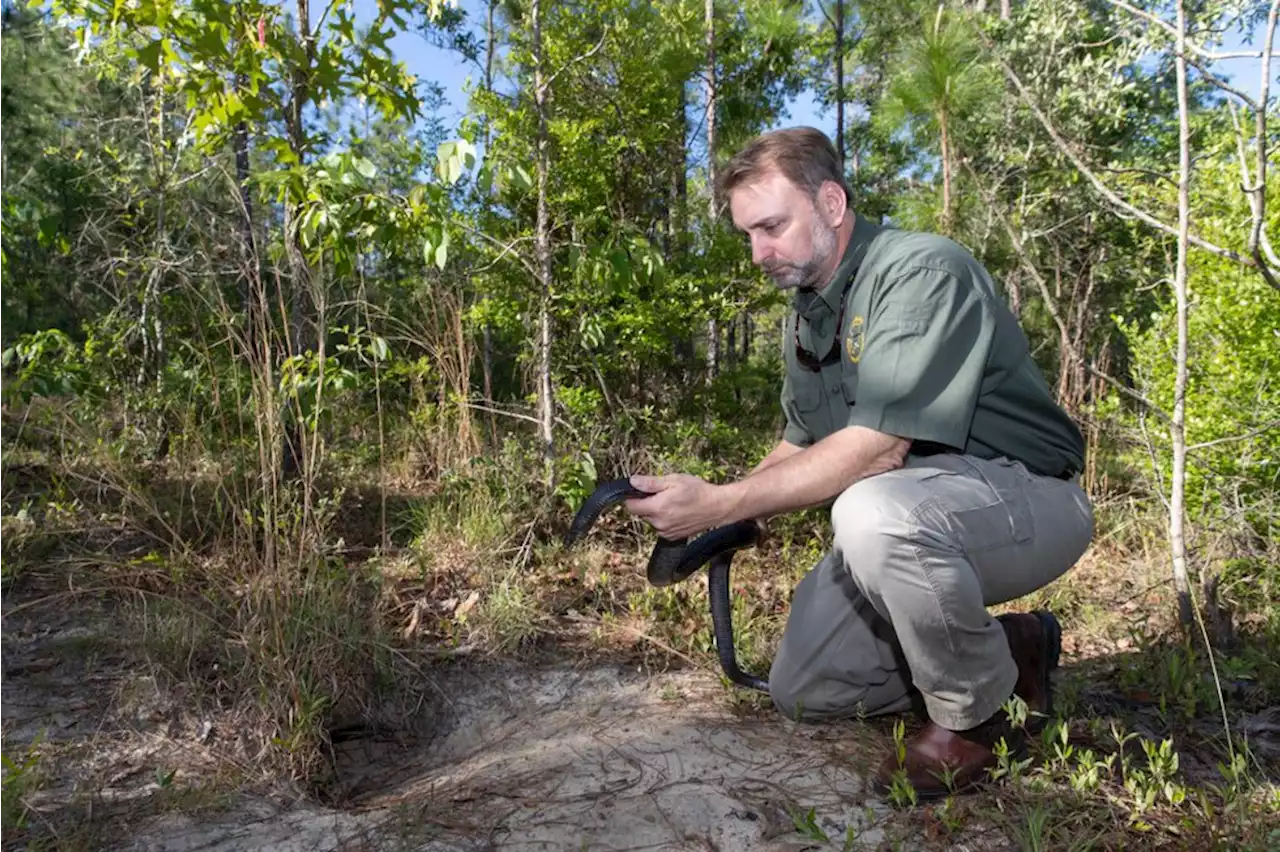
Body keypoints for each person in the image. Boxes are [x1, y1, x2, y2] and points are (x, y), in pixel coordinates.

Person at [623, 127, 1094, 798]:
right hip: (916, 509)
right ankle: (1010, 651)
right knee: (805, 690)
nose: (758, 253)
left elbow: (878, 448)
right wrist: (723, 513)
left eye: (772, 227)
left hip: (1026, 497)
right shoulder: (807, 315)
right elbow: (800, 442)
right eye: (747, 236)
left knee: (870, 514)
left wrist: (722, 501)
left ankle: (976, 720)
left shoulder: (920, 271)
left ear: (833, 203)